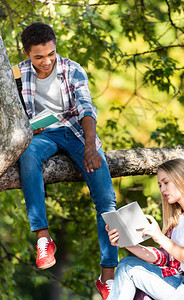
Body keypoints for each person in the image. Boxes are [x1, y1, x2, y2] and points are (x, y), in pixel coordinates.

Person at [15, 22, 118, 299]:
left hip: (75, 132)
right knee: (27, 157)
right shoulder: (16, 73)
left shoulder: (72, 68)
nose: (47, 61)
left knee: (106, 199)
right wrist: (27, 129)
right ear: (26, 53)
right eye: (39, 56)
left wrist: (90, 147)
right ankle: (43, 238)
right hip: (42, 136)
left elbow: (86, 108)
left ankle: (108, 275)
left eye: (51, 53)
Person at [106, 158, 184, 300]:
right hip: (180, 280)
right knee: (126, 265)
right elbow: (164, 257)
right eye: (160, 185)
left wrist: (159, 237)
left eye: (166, 182)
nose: (162, 189)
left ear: (181, 178)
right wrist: (126, 243)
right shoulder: (177, 218)